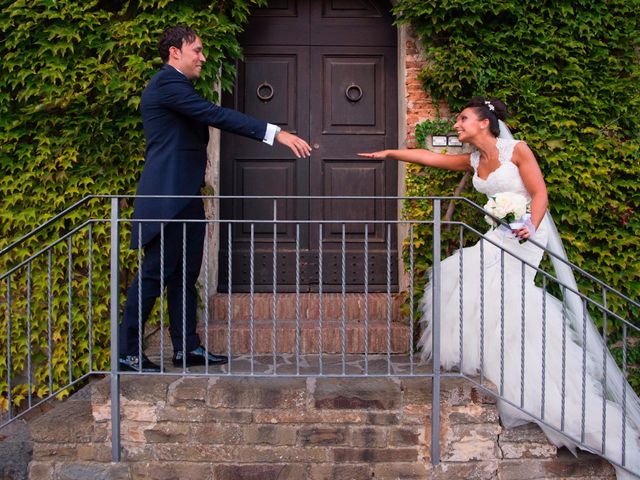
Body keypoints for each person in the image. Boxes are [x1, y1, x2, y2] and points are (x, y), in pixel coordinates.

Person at [359, 97, 640, 479]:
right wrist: (392, 152)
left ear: (484, 123)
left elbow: (540, 194)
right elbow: (434, 159)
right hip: (499, 232)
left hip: (526, 234)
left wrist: (530, 226)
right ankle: (496, 359)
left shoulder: (517, 150)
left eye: (462, 119)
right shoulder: (475, 160)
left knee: (501, 292)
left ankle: (535, 376)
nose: (457, 125)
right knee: (459, 272)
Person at [119, 26, 312, 373]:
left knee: (184, 276)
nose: (203, 57)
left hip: (186, 197)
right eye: (197, 50)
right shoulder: (168, 83)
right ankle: (127, 353)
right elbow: (216, 115)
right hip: (166, 198)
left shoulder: (179, 87)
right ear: (175, 52)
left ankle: (186, 348)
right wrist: (277, 133)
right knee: (153, 275)